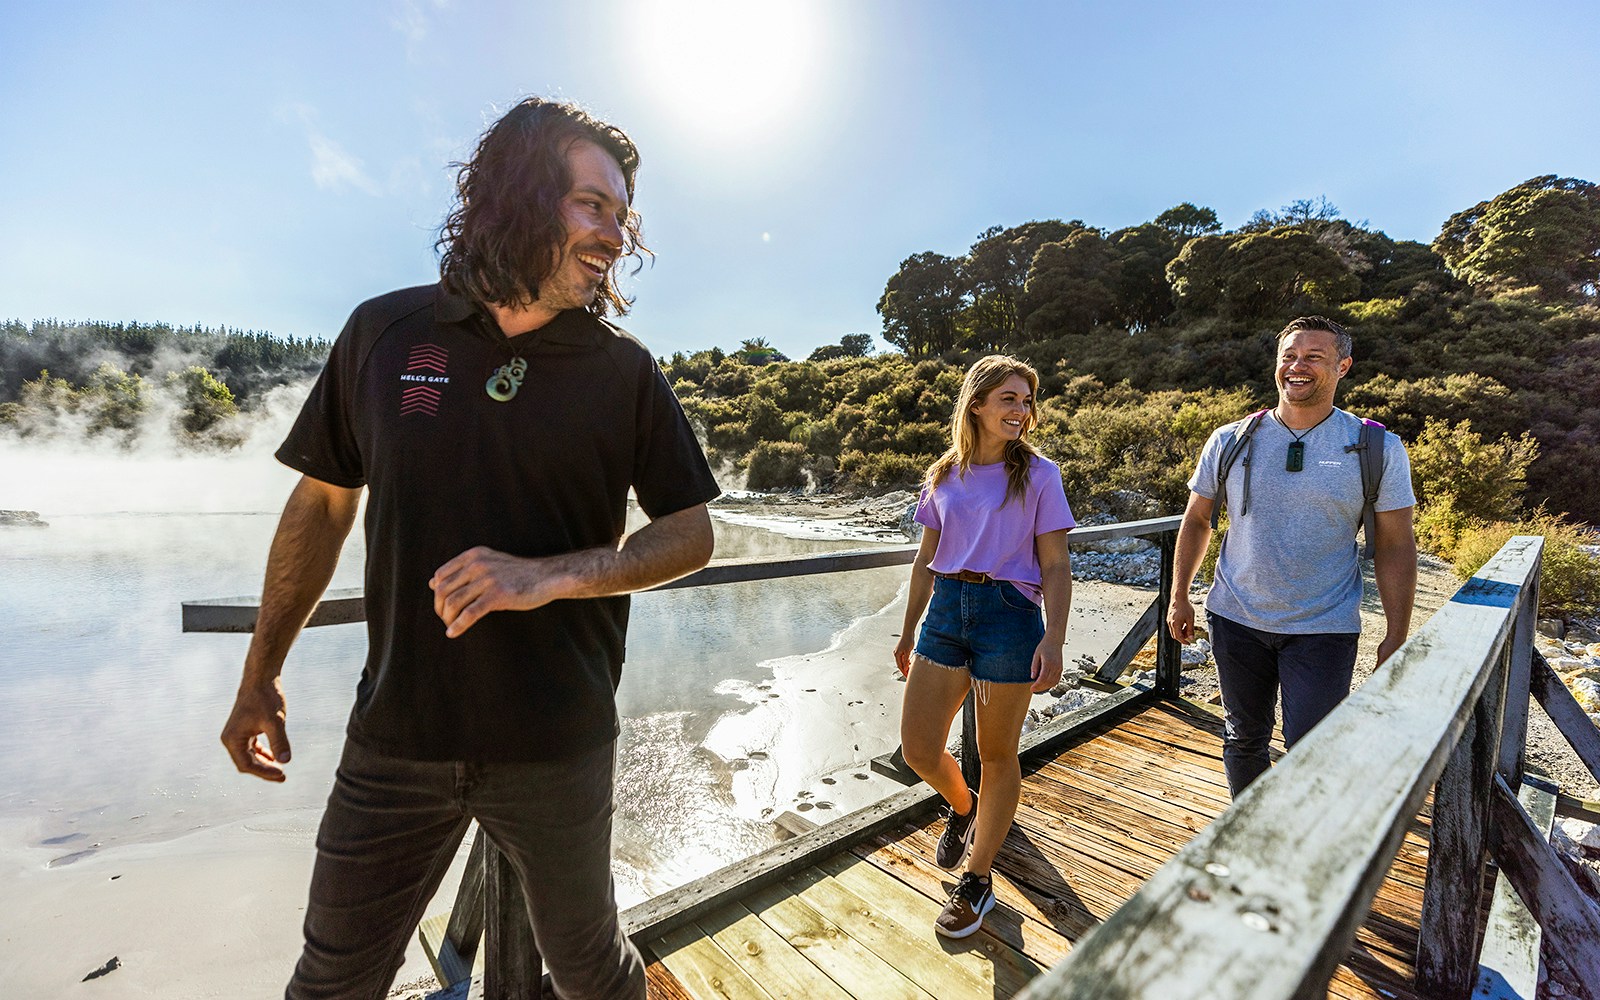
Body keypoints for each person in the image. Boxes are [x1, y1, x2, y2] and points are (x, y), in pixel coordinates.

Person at [219, 97, 719, 1000]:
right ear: (519, 198)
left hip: (559, 743)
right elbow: (324, 503)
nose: (617, 233)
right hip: (395, 741)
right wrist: (261, 673)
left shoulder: (623, 371)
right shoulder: (386, 334)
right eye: (592, 206)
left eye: (621, 211)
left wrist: (550, 575)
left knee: (591, 975)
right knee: (331, 983)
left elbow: (692, 532)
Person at [1166, 315, 1417, 797]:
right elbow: (1197, 520)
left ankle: (1298, 850)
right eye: (1289, 357)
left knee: (1312, 748)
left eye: (1314, 358)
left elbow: (1395, 544)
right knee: (1243, 740)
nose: (1297, 367)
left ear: (1343, 366)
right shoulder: (1230, 439)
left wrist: (1397, 633)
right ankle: (1248, 841)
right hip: (1236, 619)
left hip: (1324, 627)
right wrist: (1179, 596)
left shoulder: (1377, 447)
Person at [893, 355, 1075, 939]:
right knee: (919, 748)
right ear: (976, 405)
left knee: (998, 756)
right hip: (946, 610)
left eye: (1026, 401)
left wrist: (1054, 636)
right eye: (1009, 400)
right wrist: (907, 629)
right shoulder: (944, 474)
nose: (1020, 411)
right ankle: (964, 807)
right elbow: (925, 561)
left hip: (1009, 617)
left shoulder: (1041, 475)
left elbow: (1055, 563)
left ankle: (977, 882)